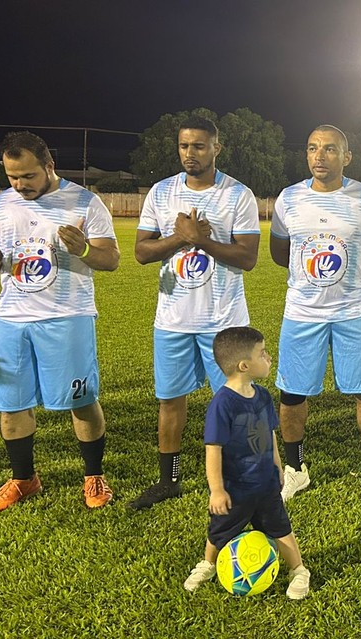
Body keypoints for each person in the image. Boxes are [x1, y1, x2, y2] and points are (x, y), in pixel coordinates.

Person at [0, 131, 120, 512]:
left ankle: (94, 476)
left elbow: (111, 259)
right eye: (12, 176)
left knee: (82, 399)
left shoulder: (84, 202)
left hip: (67, 317)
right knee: (11, 404)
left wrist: (86, 249)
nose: (19, 184)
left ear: (49, 166)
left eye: (28, 176)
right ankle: (24, 479)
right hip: (13, 318)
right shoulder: (0, 205)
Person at [130, 116, 260, 510]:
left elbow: (248, 257)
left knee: (235, 399)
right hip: (172, 320)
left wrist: (202, 240)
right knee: (170, 401)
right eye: (185, 146)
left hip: (223, 321)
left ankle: (242, 477)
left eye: (199, 146)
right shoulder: (161, 192)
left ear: (216, 148)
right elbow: (141, 252)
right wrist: (179, 237)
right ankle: (168, 480)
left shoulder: (237, 195)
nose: (191, 153)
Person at [269, 125, 361, 505]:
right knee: (291, 394)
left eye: (330, 149)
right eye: (312, 148)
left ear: (346, 156)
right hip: (303, 312)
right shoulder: (288, 199)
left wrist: (350, 281)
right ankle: (296, 470)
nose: (319, 156)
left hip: (354, 311)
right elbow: (279, 252)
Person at [183, 326, 310, 597]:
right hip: (235, 488)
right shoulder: (222, 404)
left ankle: (298, 570)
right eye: (262, 354)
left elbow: (270, 435)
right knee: (219, 531)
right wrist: (217, 489)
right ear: (244, 365)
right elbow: (213, 450)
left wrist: (278, 467)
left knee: (281, 529)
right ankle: (208, 564)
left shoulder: (263, 396)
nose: (269, 358)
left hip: (265, 485)